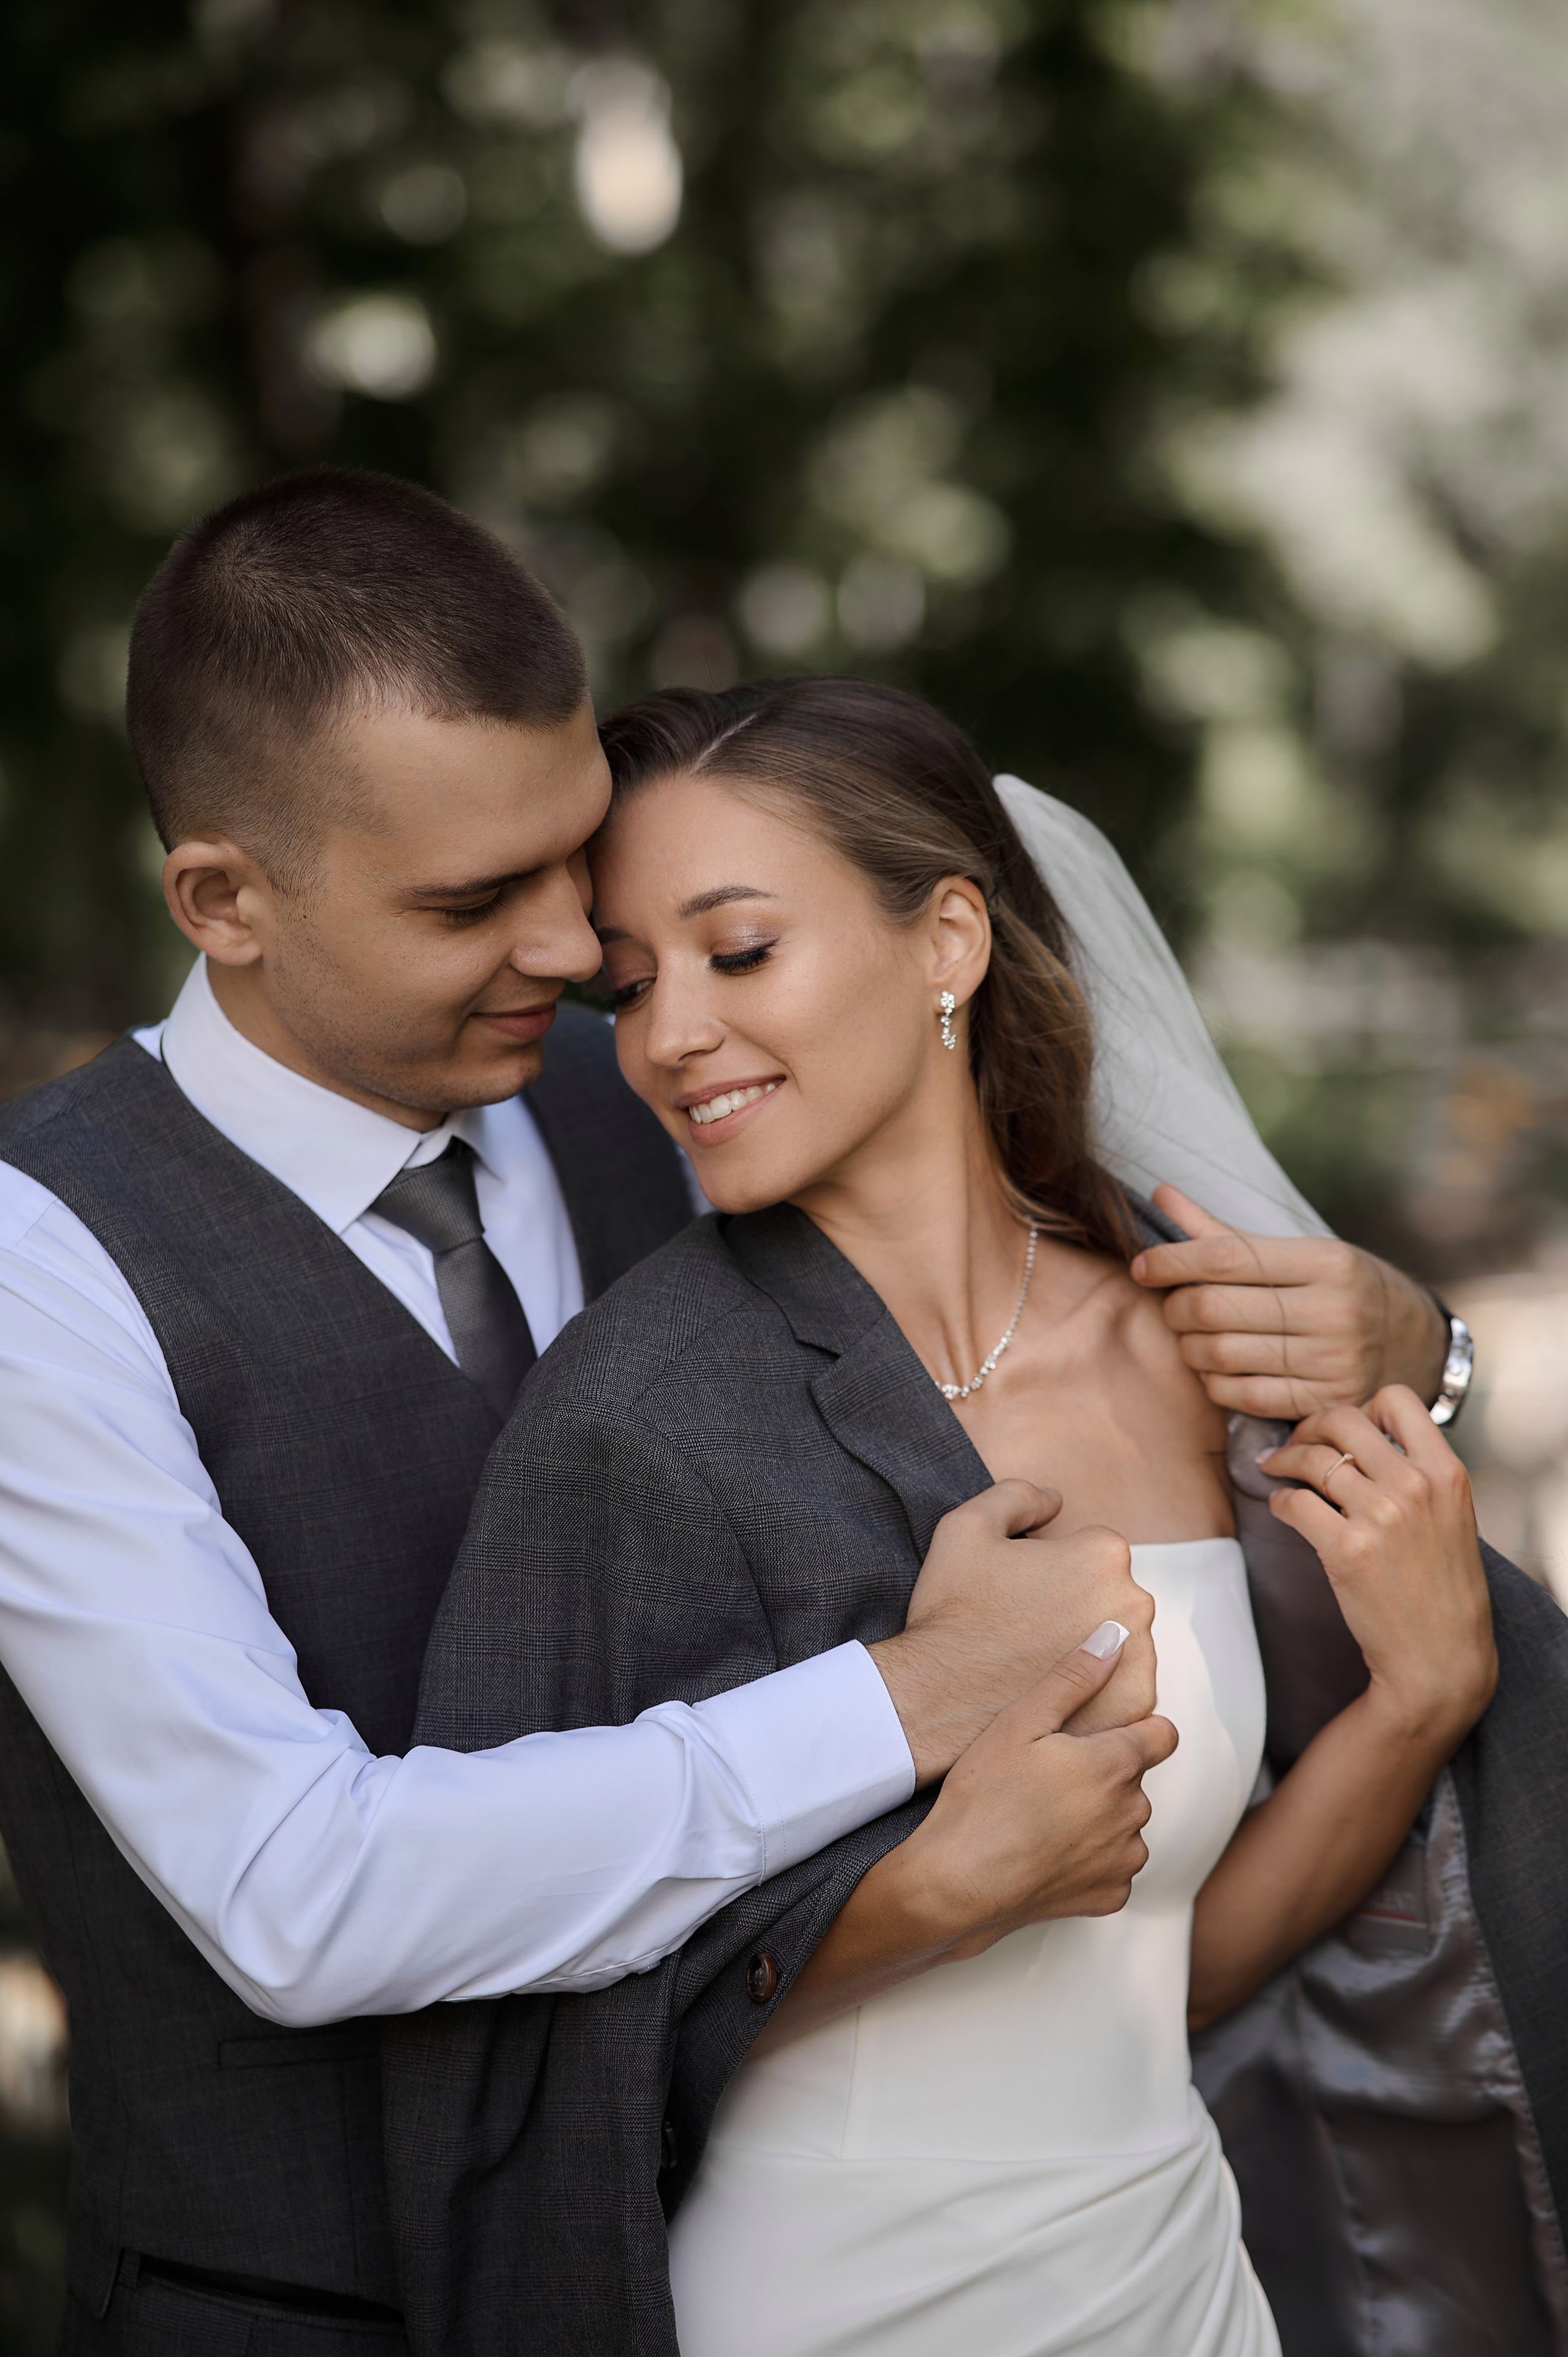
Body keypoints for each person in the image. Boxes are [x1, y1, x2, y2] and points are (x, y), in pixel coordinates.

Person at [0, 470, 1455, 2355]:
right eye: (476, 901)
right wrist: (909, 1704)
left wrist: (1414, 1343)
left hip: (717, 2234)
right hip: (280, 2302)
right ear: (223, 899)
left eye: (574, 880)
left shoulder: (665, 1116)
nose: (570, 958)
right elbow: (295, 1889)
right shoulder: (50, 1263)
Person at [385, 676, 1568, 2357]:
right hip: (825, 2305)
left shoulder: (1190, 1349)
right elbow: (500, 2026)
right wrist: (938, 1886)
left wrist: (1423, 1704)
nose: (667, 1039)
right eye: (633, 987)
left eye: (738, 953)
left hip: (1175, 2282)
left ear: (950, 940)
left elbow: (1165, 1980)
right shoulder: (630, 1423)